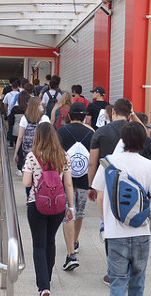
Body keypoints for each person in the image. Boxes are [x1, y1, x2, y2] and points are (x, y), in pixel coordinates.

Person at [91, 121, 151, 295]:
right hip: (141, 232)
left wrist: (106, 220)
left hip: (116, 234)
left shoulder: (108, 163)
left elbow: (100, 196)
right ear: (143, 140)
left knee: (117, 283)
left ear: (123, 140)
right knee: (137, 282)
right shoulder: (150, 166)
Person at [87, 98, 137, 286]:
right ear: (130, 113)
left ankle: (113, 271)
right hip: (134, 184)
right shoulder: (136, 132)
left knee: (110, 225)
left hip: (109, 184)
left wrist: (92, 185)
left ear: (112, 111)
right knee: (132, 223)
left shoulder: (101, 132)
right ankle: (131, 269)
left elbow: (93, 162)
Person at [22, 122, 75, 296]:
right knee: (50, 240)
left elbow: (26, 182)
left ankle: (43, 286)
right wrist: (71, 206)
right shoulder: (63, 156)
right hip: (58, 205)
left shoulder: (32, 156)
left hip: (36, 204)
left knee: (38, 244)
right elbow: (68, 183)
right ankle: (49, 277)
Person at [56, 102, 94, 271]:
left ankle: (71, 253)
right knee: (79, 212)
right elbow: (94, 159)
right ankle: (75, 241)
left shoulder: (61, 131)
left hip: (65, 178)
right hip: (85, 179)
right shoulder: (91, 133)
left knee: (68, 213)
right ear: (85, 116)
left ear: (69, 116)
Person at [14, 97, 50, 177]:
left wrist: (16, 153)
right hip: (42, 151)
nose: (42, 106)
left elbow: (20, 137)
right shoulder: (45, 118)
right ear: (36, 106)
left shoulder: (24, 118)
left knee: (28, 175)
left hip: (28, 152)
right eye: (40, 105)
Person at [3, 78, 21, 148]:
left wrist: (6, 111)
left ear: (12, 87)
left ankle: (11, 143)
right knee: (18, 127)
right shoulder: (20, 94)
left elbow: (5, 103)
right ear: (18, 87)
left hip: (10, 112)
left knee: (11, 127)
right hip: (19, 112)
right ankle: (17, 142)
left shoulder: (8, 94)